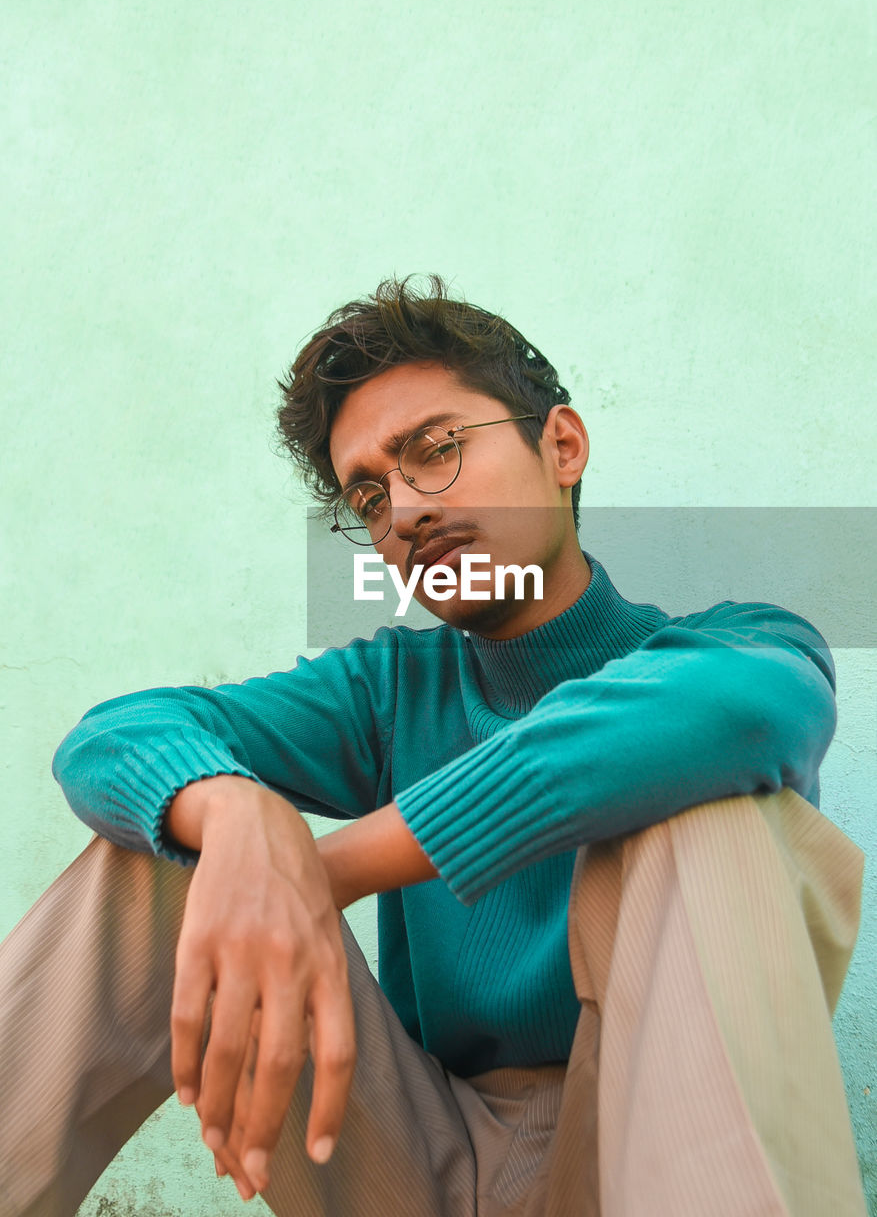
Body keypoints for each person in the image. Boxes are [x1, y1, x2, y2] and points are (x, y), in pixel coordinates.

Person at [0, 274, 868, 1217]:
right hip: (411, 1156)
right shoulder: (388, 689)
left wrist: (322, 871)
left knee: (712, 820)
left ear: (562, 446)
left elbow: (737, 715)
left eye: (435, 451)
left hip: (647, 1149)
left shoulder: (736, 644)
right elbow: (115, 734)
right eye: (368, 496)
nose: (404, 512)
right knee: (171, 842)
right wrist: (241, 817)